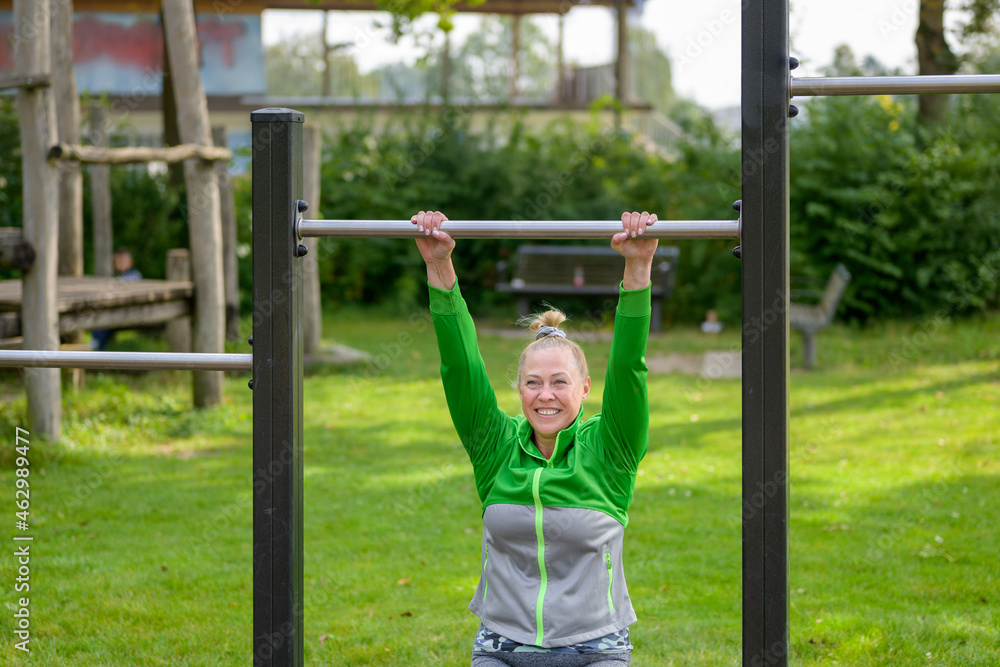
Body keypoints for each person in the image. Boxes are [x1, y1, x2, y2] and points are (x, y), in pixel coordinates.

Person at [412, 210, 659, 667]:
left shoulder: (612, 449)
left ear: (585, 388)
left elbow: (629, 366)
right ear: (519, 388)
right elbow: (461, 366)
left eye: (560, 382)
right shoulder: (495, 447)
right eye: (532, 383)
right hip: (502, 649)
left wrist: (637, 268)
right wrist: (439, 267)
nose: (545, 395)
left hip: (595, 650)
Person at [90, 248, 143, 351]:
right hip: (117, 309)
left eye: (122, 261)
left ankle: (98, 349)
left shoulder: (134, 276)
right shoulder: (119, 277)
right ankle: (98, 348)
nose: (119, 264)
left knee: (103, 320)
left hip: (129, 311)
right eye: (117, 261)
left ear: (130, 262)